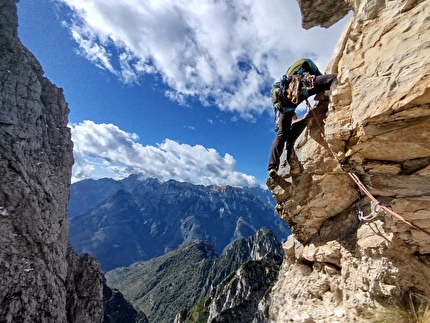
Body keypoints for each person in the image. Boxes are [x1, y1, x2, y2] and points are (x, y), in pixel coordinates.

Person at [268, 58, 337, 177]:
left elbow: (290, 109)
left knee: (282, 133)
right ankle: (336, 105)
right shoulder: (307, 62)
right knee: (333, 78)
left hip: (286, 102)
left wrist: (295, 121)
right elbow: (320, 80)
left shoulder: (286, 77)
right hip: (301, 87)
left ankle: (272, 166)